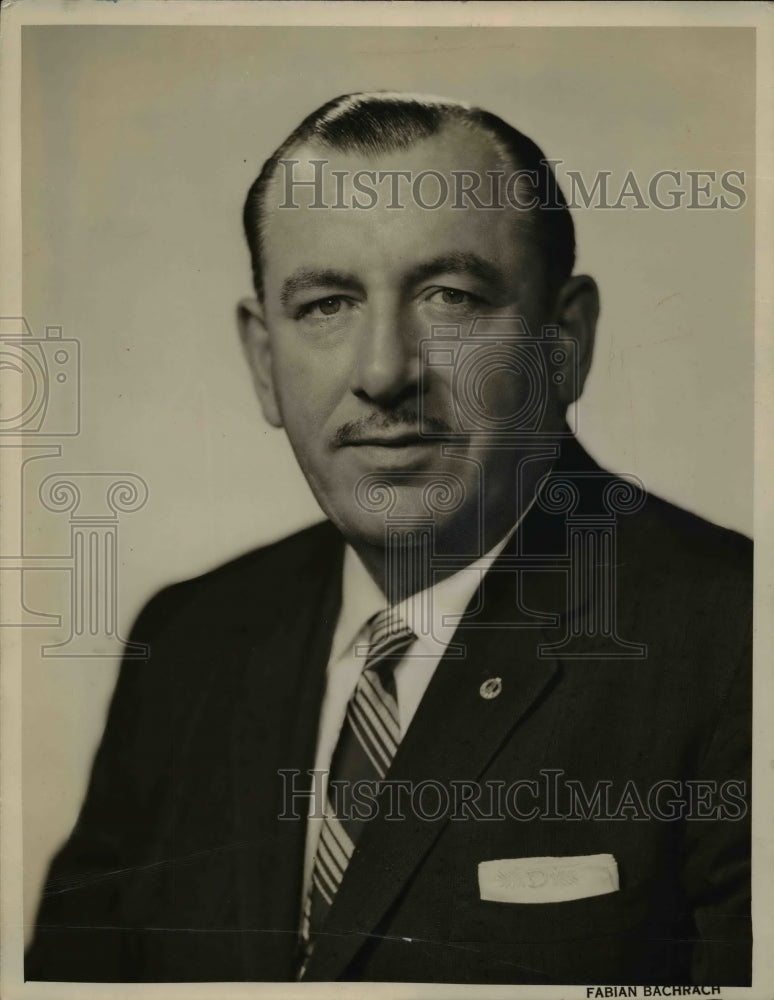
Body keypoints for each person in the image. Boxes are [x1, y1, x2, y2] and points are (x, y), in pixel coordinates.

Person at [26, 92, 751, 986]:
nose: (381, 372)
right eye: (327, 305)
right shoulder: (188, 642)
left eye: (449, 296)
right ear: (264, 362)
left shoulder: (737, 645)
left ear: (564, 343)